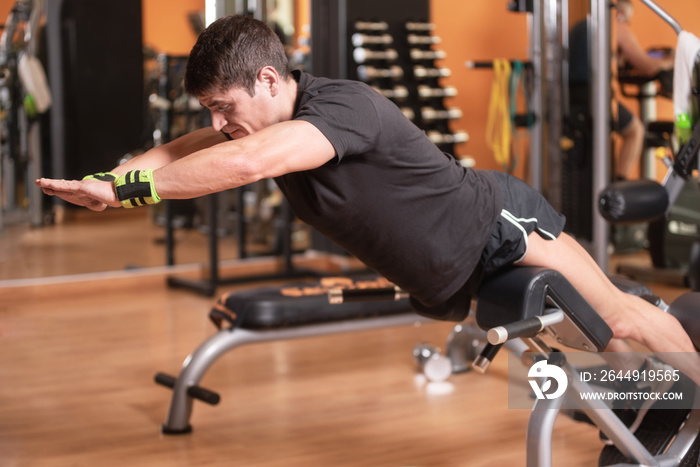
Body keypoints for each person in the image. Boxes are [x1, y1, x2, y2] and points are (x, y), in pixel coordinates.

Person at [37, 15, 699, 422]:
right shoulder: (258, 123)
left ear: (269, 81)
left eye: (222, 105)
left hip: (505, 227)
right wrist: (106, 181)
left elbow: (245, 164)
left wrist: (131, 192)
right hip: (455, 272)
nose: (216, 123)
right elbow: (184, 149)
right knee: (604, 346)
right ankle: (654, 411)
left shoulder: (334, 112)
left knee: (622, 318)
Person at [569, 0, 674, 180]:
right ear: (620, 13)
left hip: (572, 93)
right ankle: (620, 182)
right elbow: (647, 65)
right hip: (592, 94)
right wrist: (672, 61)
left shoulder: (582, 25)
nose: (627, 25)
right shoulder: (614, 26)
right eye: (628, 20)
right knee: (635, 131)